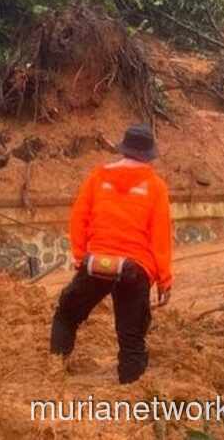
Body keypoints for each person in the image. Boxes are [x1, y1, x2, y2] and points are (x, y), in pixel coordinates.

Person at [49, 123, 174, 384]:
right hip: (134, 268)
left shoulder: (97, 177)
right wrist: (164, 280)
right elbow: (160, 235)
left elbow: (79, 218)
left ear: (123, 149)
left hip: (96, 262)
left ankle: (55, 368)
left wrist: (81, 255)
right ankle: (132, 391)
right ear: (148, 155)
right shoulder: (155, 186)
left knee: (66, 314)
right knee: (131, 337)